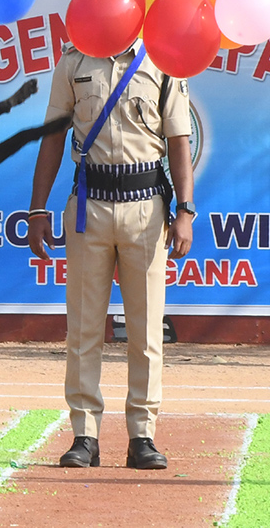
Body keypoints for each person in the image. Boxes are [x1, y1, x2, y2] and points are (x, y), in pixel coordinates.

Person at [28, 40, 194, 470]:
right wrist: (37, 209)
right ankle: (84, 435)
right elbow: (52, 138)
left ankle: (142, 435)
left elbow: (179, 139)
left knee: (145, 330)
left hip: (145, 205)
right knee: (83, 326)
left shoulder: (163, 58)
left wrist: (185, 211)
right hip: (89, 205)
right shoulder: (74, 61)